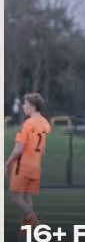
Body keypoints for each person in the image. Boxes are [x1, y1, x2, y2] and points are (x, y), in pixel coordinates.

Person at [5, 93, 51, 232]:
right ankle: (26, 231)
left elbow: (19, 148)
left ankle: (36, 224)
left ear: (32, 106)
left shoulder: (28, 123)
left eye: (25, 104)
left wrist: (7, 164)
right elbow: (42, 148)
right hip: (35, 165)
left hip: (23, 165)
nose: (23, 107)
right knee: (27, 196)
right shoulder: (44, 122)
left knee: (15, 198)